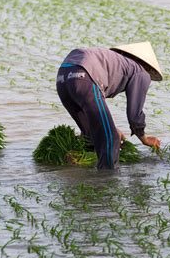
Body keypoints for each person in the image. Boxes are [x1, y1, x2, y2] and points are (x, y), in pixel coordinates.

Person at [56, 41, 162, 169]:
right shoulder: (141, 72)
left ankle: (78, 172)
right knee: (111, 140)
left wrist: (111, 127)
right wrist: (144, 138)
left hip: (63, 77)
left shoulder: (115, 62)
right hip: (85, 76)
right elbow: (134, 114)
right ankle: (107, 183)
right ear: (147, 66)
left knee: (91, 137)